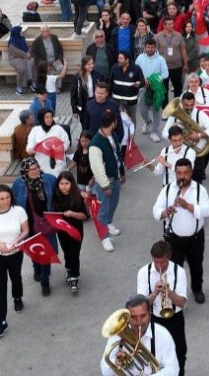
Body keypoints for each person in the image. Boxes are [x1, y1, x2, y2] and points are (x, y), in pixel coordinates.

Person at [153, 158, 209, 305]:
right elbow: (156, 210)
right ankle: (176, 296)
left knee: (196, 265)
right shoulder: (167, 189)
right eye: (179, 173)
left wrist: (188, 206)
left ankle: (197, 289)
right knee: (173, 268)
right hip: (173, 238)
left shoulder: (200, 190)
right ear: (176, 173)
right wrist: (165, 212)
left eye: (186, 172)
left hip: (195, 237)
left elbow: (207, 210)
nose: (182, 176)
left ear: (191, 172)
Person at [137, 241, 188, 375]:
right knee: (153, 354)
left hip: (175, 319)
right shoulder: (144, 272)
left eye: (163, 262)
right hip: (152, 319)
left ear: (169, 258)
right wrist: (154, 293)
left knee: (180, 352)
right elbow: (140, 306)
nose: (159, 266)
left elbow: (182, 303)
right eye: (156, 262)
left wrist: (169, 293)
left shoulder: (179, 272)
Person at [100, 294, 179, 376]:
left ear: (150, 315)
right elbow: (105, 371)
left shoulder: (162, 334)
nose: (139, 322)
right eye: (133, 317)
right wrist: (115, 363)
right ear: (127, 318)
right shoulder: (117, 336)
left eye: (143, 316)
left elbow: (173, 369)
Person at [11, 158, 57, 296]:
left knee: (46, 253)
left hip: (45, 224)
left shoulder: (49, 179)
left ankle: (45, 281)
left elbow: (58, 196)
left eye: (37, 167)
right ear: (25, 171)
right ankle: (36, 268)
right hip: (28, 225)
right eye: (32, 169)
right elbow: (14, 204)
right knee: (34, 249)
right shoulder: (18, 184)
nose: (36, 170)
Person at [161, 92, 209, 183]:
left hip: (198, 152)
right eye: (186, 105)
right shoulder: (174, 117)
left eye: (192, 105)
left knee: (196, 179)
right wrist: (178, 138)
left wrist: (198, 135)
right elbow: (164, 132)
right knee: (180, 178)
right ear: (181, 103)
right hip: (181, 151)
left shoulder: (199, 114)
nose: (189, 108)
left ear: (194, 103)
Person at [89, 111, 125, 253]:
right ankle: (104, 237)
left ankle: (109, 223)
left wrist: (121, 172)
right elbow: (97, 168)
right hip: (105, 182)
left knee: (113, 204)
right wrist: (104, 186)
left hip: (115, 178)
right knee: (103, 210)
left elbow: (117, 155)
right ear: (113, 123)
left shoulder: (112, 136)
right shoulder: (95, 143)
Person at [51, 171, 87, 292]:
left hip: (76, 231)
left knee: (74, 253)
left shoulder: (78, 196)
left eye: (67, 183)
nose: (64, 186)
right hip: (62, 231)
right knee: (67, 252)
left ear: (72, 184)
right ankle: (69, 269)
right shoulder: (55, 196)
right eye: (61, 183)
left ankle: (74, 278)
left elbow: (84, 216)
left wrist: (72, 214)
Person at [0, 184, 29, 337]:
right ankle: (1, 320)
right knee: (0, 286)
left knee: (16, 277)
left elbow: (25, 230)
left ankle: (17, 297)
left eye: (7, 198)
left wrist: (16, 241)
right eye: (1, 199)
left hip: (16, 252)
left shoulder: (19, 211)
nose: (5, 201)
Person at [136, 38, 170, 141]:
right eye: (148, 47)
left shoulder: (161, 59)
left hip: (156, 89)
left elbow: (165, 74)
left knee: (156, 110)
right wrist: (142, 81)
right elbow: (136, 70)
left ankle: (154, 132)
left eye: (152, 47)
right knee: (142, 109)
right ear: (145, 47)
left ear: (155, 47)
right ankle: (148, 122)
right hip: (144, 87)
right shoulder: (140, 58)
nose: (150, 49)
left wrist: (153, 80)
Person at [155, 16, 189, 107]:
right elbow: (156, 53)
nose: (172, 25)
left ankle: (176, 107)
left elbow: (183, 50)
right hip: (163, 68)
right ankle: (165, 108)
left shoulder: (178, 35)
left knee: (178, 88)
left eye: (172, 23)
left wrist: (185, 64)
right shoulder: (158, 37)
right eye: (169, 24)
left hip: (177, 67)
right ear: (164, 25)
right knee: (164, 90)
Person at [26, 109, 70, 177]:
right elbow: (29, 149)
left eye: (51, 117)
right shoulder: (35, 131)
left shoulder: (58, 129)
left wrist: (55, 149)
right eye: (46, 117)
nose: (49, 119)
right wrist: (38, 148)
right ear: (41, 118)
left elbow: (66, 144)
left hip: (58, 167)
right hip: (42, 166)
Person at [110, 51, 145, 127]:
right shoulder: (114, 68)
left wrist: (139, 84)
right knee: (117, 119)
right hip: (117, 100)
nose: (118, 60)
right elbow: (110, 83)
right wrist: (109, 98)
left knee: (132, 120)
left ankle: (132, 137)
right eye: (118, 58)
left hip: (131, 101)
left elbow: (142, 82)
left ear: (127, 60)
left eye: (121, 58)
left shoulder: (136, 69)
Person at [7, 26, 37, 96]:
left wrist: (29, 52)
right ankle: (19, 86)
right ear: (17, 33)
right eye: (20, 31)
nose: (22, 32)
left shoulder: (22, 39)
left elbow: (27, 47)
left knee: (32, 63)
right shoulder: (12, 42)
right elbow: (17, 52)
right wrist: (27, 55)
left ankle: (33, 82)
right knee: (22, 68)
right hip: (15, 58)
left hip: (25, 56)